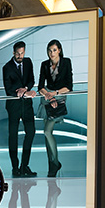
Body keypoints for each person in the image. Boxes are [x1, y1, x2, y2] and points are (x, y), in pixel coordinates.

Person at [37, 39, 73, 177]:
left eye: (54, 50)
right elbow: (40, 86)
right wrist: (48, 95)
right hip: (47, 97)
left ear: (59, 50)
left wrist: (55, 94)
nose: (51, 53)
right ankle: (51, 165)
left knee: (47, 132)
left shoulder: (66, 62)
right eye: (49, 50)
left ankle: (56, 162)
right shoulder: (44, 64)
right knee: (47, 134)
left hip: (59, 96)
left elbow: (69, 86)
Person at [2, 41, 37, 178]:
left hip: (27, 105)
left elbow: (31, 80)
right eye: (18, 53)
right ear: (13, 53)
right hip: (14, 106)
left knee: (31, 132)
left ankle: (24, 166)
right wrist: (24, 93)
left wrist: (26, 89)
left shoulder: (28, 62)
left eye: (22, 53)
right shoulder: (7, 67)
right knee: (13, 136)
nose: (20, 56)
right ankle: (15, 167)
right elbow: (9, 90)